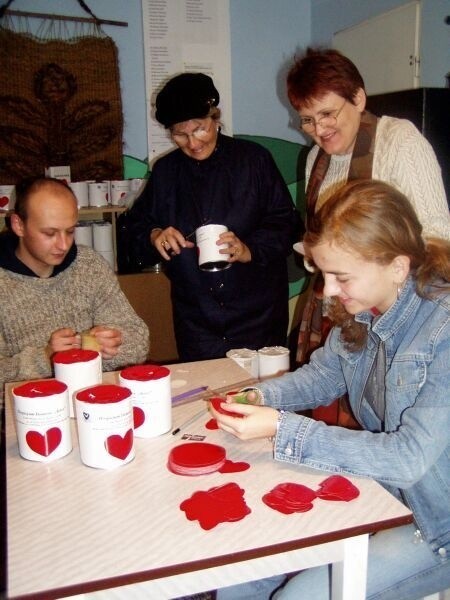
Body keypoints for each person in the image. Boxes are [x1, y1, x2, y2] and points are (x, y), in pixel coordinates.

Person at [211, 180, 450, 600]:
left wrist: (283, 430)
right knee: (241, 572)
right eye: (324, 274)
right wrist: (261, 398)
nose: (328, 290)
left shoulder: (443, 327)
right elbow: (322, 377)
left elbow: (408, 458)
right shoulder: (367, 305)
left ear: (397, 266)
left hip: (439, 523)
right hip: (388, 494)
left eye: (341, 276)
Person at [287, 47, 450, 367]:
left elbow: (439, 238)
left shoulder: (399, 141)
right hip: (335, 309)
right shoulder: (315, 160)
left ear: (358, 99)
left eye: (327, 114)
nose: (319, 130)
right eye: (307, 120)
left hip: (395, 320)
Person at [127, 72, 300, 361]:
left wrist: (249, 249)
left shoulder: (254, 160)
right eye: (180, 135)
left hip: (258, 315)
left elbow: (287, 224)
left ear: (215, 118)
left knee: (260, 396)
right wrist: (154, 235)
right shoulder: (167, 171)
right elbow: (133, 230)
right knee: (207, 397)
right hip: (197, 321)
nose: (192, 143)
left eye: (199, 129)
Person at [0, 177, 149, 404]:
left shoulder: (88, 264)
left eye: (70, 231)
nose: (63, 245)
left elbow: (138, 339)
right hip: (27, 412)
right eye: (49, 233)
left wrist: (115, 344)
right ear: (18, 225)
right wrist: (46, 358)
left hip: (94, 400)